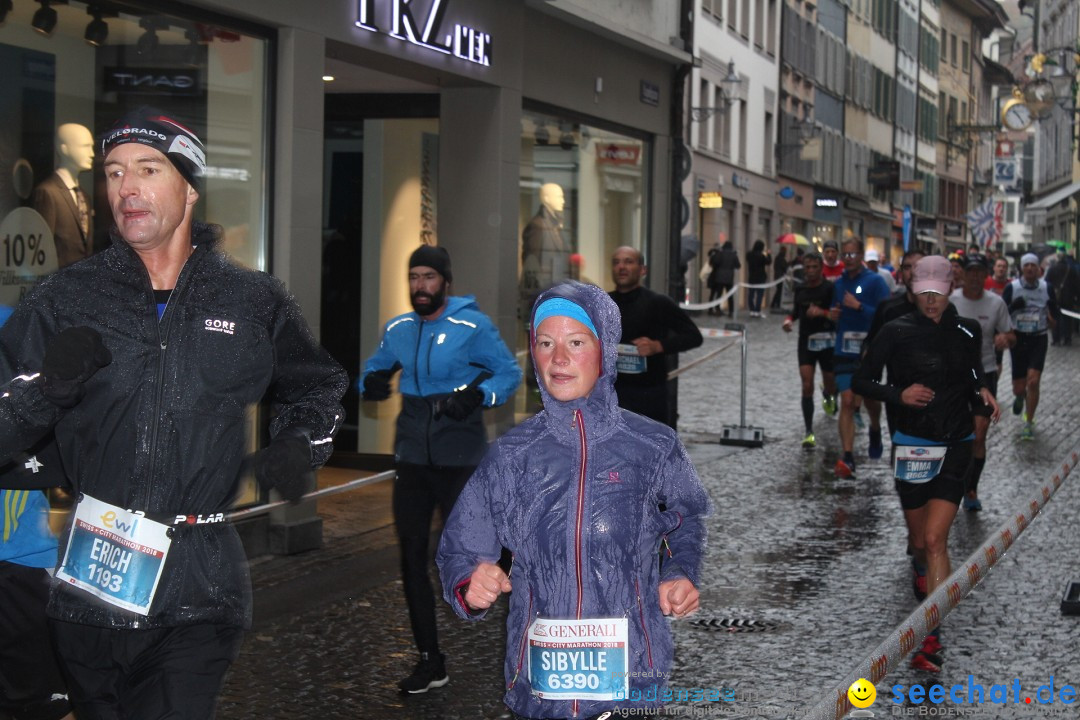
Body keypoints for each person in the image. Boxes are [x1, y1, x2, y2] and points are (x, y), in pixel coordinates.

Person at [0, 107, 348, 719]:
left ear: (189, 186)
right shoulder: (63, 299)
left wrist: (300, 443)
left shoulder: (251, 298)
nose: (126, 188)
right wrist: (47, 388)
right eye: (112, 172)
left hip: (198, 588)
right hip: (89, 590)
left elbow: (316, 388)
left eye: (147, 169)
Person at [437, 281, 710, 720]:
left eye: (576, 342)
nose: (558, 358)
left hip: (631, 680)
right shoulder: (511, 456)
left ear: (604, 350)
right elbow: (462, 546)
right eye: (545, 343)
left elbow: (687, 515)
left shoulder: (654, 446)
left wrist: (679, 572)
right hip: (542, 687)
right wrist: (471, 583)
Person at [361, 244, 522, 694]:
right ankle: (430, 660)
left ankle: (526, 642)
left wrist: (477, 395)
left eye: (429, 277)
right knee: (412, 560)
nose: (420, 286)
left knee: (487, 553)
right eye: (414, 277)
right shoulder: (398, 328)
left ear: (445, 282)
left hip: (460, 460)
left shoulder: (473, 326)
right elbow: (373, 370)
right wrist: (370, 382)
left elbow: (508, 374)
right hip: (412, 458)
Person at [854, 255, 999, 674]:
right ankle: (921, 572)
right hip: (913, 445)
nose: (932, 301)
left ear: (950, 288)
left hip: (956, 443)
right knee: (919, 542)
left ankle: (930, 636)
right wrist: (899, 395)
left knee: (937, 540)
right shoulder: (894, 332)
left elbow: (973, 371)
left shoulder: (967, 328)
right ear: (914, 292)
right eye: (925, 293)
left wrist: (984, 392)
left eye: (939, 292)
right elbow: (863, 380)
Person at [608, 246, 703, 427]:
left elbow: (693, 336)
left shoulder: (658, 303)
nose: (622, 267)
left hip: (649, 393)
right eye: (616, 262)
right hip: (612, 392)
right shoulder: (603, 303)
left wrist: (658, 346)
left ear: (642, 270)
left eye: (628, 262)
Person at [949, 254, 1014, 512]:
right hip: (953, 376)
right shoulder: (950, 300)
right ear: (963, 274)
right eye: (971, 271)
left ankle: (971, 488)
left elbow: (1011, 334)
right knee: (955, 434)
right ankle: (952, 481)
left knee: (979, 433)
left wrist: (1005, 339)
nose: (975, 276)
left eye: (980, 272)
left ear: (985, 275)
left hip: (984, 374)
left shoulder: (996, 303)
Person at [829, 238, 890, 478]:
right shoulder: (839, 283)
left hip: (870, 350)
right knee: (847, 400)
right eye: (845, 255)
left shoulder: (875, 282)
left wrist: (859, 307)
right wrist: (833, 314)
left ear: (861, 255)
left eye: (852, 255)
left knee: (870, 401)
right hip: (843, 349)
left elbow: (886, 315)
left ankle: (875, 428)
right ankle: (848, 456)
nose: (848, 259)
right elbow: (835, 308)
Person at [782, 252, 837, 448]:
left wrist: (821, 313)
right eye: (807, 268)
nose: (811, 271)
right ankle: (809, 431)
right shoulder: (800, 289)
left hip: (827, 341)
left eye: (814, 267)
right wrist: (788, 321)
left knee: (831, 382)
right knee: (806, 385)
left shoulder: (830, 288)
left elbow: (837, 315)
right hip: (806, 341)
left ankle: (830, 394)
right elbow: (795, 312)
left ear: (821, 268)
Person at [1002, 253, 1058, 440]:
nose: (1030, 269)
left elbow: (1055, 312)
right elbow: (1001, 312)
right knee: (1019, 387)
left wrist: (1052, 319)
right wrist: (1014, 307)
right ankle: (1019, 397)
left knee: (1033, 381)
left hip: (1038, 338)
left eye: (1033, 266)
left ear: (1038, 269)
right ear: (1022, 269)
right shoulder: (1012, 288)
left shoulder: (1046, 288)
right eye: (1027, 266)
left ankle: (1029, 421)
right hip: (1018, 339)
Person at [32, 123, 96, 268]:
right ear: (64, 149)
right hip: (57, 282)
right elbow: (42, 248)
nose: (91, 153)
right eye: (85, 146)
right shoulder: (48, 193)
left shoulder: (84, 196)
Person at [521, 183, 570, 301]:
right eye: (559, 197)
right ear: (546, 198)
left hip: (555, 290)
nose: (563, 201)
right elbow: (532, 263)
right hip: (543, 293)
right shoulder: (538, 226)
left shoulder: (555, 225)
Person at [1046, 251, 1078, 346]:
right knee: (1067, 319)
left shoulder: (1052, 268)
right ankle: (1067, 338)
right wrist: (1076, 297)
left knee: (1055, 317)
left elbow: (1047, 282)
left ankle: (1056, 339)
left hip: (1055, 297)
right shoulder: (1071, 269)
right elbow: (1076, 284)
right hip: (1068, 298)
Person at [706, 240, 740, 317]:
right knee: (730, 295)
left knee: (719, 294)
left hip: (719, 277)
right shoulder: (733, 255)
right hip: (729, 278)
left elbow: (714, 263)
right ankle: (731, 311)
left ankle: (717, 309)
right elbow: (738, 265)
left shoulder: (720, 254)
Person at [746, 239, 771, 318]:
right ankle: (757, 310)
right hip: (760, 277)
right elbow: (769, 262)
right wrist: (768, 254)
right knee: (759, 295)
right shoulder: (762, 256)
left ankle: (752, 310)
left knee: (751, 294)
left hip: (752, 277)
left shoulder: (749, 254)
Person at [770, 245, 789, 310]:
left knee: (779, 291)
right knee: (779, 291)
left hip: (778, 276)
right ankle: (775, 303)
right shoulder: (781, 258)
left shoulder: (778, 258)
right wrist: (787, 264)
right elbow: (784, 267)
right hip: (780, 277)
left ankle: (775, 303)